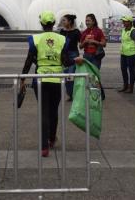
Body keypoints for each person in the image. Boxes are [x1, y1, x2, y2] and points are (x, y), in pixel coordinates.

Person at [21, 11, 71, 157]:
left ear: (42, 24)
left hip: (40, 79)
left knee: (44, 111)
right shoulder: (62, 39)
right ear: (54, 23)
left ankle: (44, 147)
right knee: (53, 111)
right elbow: (66, 61)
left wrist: (23, 79)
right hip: (57, 80)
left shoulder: (35, 39)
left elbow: (29, 60)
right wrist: (76, 60)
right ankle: (51, 139)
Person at [79, 13, 106, 99]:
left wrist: (95, 42)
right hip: (86, 56)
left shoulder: (98, 31)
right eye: (86, 20)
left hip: (96, 56)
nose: (87, 22)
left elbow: (104, 44)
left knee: (95, 75)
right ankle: (93, 94)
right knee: (88, 75)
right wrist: (85, 42)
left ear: (93, 21)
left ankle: (100, 94)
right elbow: (80, 46)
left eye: (89, 21)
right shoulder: (84, 32)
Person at [58, 14, 80, 101]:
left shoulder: (76, 32)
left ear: (70, 21)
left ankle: (73, 94)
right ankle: (70, 94)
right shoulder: (62, 31)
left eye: (64, 20)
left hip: (73, 55)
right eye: (62, 20)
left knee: (70, 75)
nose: (62, 22)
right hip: (64, 55)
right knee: (66, 75)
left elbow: (81, 43)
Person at [118, 15, 135, 94]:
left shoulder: (133, 31)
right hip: (123, 53)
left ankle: (131, 88)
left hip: (132, 54)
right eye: (123, 21)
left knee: (131, 70)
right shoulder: (123, 30)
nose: (123, 22)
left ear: (129, 22)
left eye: (125, 21)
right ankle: (125, 86)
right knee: (123, 69)